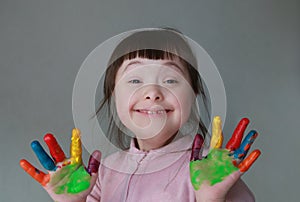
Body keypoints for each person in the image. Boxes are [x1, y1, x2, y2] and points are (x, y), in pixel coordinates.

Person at [20, 28, 260, 202]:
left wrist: (211, 199)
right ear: (113, 93)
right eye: (134, 80)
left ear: (194, 93)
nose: (153, 93)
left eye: (170, 80)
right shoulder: (101, 174)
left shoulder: (216, 170)